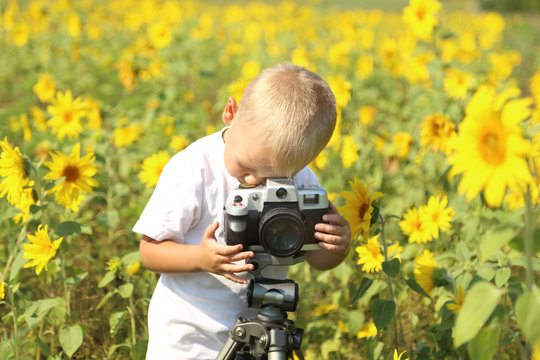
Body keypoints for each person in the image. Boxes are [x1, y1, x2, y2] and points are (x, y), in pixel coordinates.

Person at [133, 63, 351, 359]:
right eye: (247, 167)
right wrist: (201, 258)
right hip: (188, 339)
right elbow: (150, 252)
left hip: (263, 336)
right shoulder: (194, 170)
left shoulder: (301, 182)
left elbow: (318, 259)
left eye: (272, 177)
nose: (253, 181)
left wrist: (336, 246)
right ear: (231, 113)